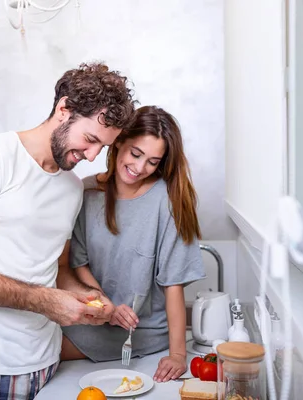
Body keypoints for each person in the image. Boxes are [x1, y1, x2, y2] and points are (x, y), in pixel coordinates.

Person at [0, 62, 136, 400]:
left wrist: (82, 297)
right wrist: (46, 301)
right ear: (63, 109)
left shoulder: (70, 187)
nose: (93, 155)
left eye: (104, 148)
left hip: (45, 363)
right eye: (90, 139)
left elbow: (59, 268)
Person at [60, 105, 206, 383]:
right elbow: (78, 264)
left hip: (142, 332)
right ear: (119, 142)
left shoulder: (166, 200)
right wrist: (107, 307)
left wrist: (177, 354)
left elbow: (172, 283)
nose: (139, 168)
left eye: (152, 161)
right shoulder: (87, 192)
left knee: (44, 352)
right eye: (135, 154)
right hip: (94, 317)